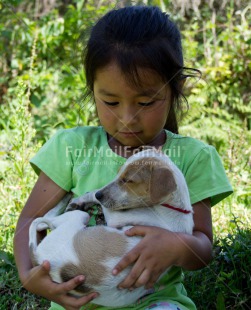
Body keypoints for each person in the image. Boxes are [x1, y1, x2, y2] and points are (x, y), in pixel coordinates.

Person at [14, 5, 233, 310]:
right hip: (77, 301)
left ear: (176, 89)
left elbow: (203, 248)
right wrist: (28, 276)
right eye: (111, 101)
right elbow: (29, 220)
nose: (127, 118)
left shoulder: (193, 158)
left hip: (154, 301)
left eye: (145, 101)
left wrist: (176, 246)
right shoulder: (71, 147)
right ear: (92, 90)